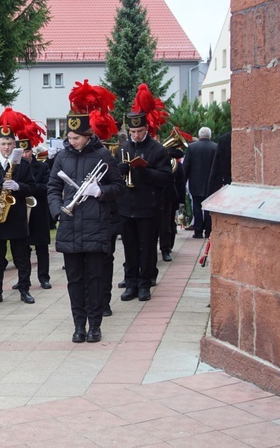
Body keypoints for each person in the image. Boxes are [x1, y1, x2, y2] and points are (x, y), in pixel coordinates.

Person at [47, 80, 125, 343]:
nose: (72, 142)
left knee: (94, 279)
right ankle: (78, 325)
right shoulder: (62, 157)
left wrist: (99, 192)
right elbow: (52, 188)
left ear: (88, 136)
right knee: (74, 282)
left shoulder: (103, 155)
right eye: (69, 138)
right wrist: (57, 210)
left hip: (95, 227)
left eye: (76, 138)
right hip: (69, 227)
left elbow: (118, 187)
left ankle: (95, 326)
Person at [117, 84, 172, 302]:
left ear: (146, 130)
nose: (136, 135)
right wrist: (120, 171)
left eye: (139, 132)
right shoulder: (123, 149)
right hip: (127, 207)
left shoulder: (158, 150)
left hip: (149, 207)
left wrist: (144, 170)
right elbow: (114, 177)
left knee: (148, 248)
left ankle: (144, 284)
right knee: (130, 248)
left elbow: (166, 178)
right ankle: (130, 283)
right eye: (133, 132)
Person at [0, 120, 37, 306]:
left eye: (10, 143)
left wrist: (18, 186)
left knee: (22, 257)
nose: (6, 147)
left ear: (14, 144)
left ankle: (25, 290)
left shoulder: (22, 164)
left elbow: (33, 187)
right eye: (3, 143)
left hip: (17, 216)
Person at [20, 139, 52, 290]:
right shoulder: (17, 167)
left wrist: (27, 188)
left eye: (26, 151)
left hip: (38, 211)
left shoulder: (42, 166)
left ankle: (44, 278)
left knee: (41, 247)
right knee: (23, 248)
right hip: (22, 212)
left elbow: (46, 187)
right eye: (21, 152)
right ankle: (24, 279)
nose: (24, 155)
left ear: (31, 151)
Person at [183, 127, 218, 239]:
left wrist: (184, 180)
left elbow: (186, 166)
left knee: (197, 207)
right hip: (211, 183)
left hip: (195, 182)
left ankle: (198, 231)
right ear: (210, 136)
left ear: (199, 136)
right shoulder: (215, 147)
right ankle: (208, 231)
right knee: (208, 208)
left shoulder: (192, 148)